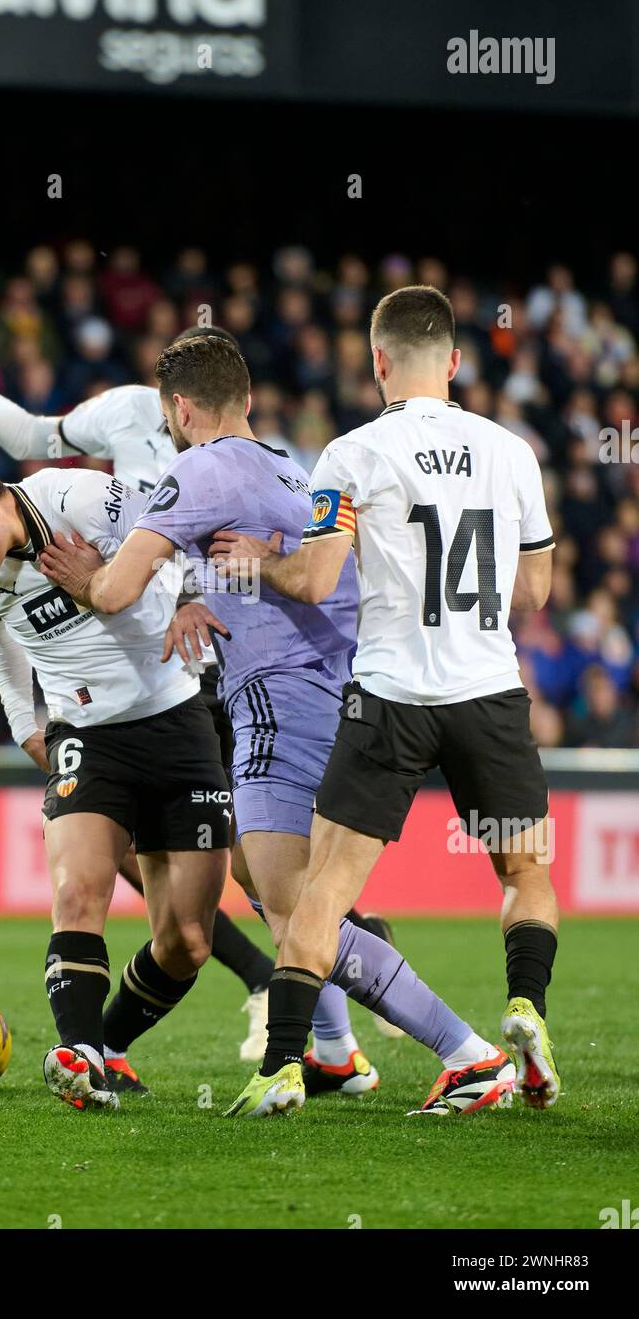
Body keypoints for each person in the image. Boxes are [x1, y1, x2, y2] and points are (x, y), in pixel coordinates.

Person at [0, 294, 389, 1072]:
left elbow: (183, 544)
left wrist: (184, 595)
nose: (178, 410)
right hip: (110, 704)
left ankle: (334, 1001)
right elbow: (28, 438)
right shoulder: (115, 417)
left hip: (201, 671)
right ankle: (103, 1049)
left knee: (250, 884)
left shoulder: (190, 470)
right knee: (120, 887)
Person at [38, 333, 514, 1116]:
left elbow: (118, 591)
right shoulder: (290, 466)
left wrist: (88, 578)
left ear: (180, 409)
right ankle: (334, 1052)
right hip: (341, 690)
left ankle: (469, 1055)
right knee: (260, 880)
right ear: (249, 400)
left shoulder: (200, 468)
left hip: (280, 702)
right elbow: (281, 571)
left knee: (297, 903)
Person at [213, 285, 560, 1115]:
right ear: (455, 362)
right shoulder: (512, 450)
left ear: (377, 362)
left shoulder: (351, 454)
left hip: (392, 697)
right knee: (524, 872)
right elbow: (537, 591)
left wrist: (257, 560)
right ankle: (526, 1009)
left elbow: (314, 579)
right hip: (488, 693)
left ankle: (286, 1067)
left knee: (324, 890)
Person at [0, 435, 232, 1110]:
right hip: (86, 734)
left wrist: (187, 595)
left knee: (188, 940)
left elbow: (177, 526)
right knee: (78, 893)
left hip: (176, 715)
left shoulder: (77, 497)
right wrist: (25, 724)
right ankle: (80, 1058)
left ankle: (104, 1045)